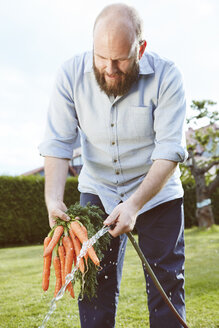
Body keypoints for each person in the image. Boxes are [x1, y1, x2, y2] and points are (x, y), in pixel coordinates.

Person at [39, 3, 188, 328]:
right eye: (101, 57)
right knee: (93, 290)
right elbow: (58, 144)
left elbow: (169, 151)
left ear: (141, 49)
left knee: (166, 288)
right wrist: (53, 200)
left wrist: (134, 204)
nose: (109, 68)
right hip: (98, 191)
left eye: (120, 59)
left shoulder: (167, 76)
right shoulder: (70, 75)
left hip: (157, 195)